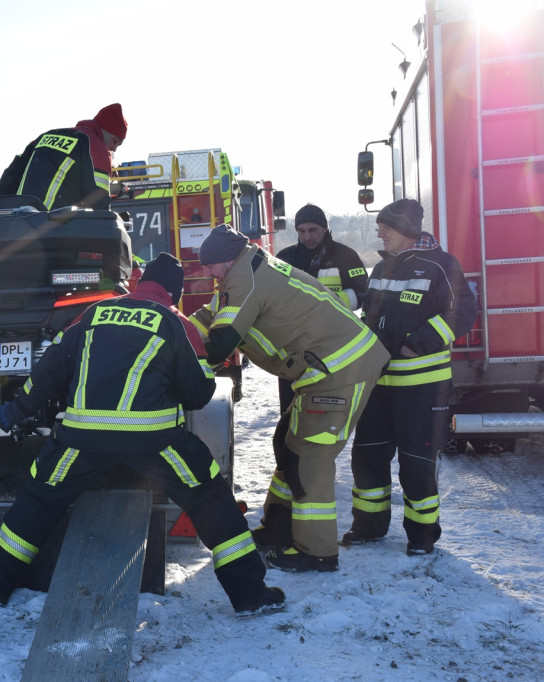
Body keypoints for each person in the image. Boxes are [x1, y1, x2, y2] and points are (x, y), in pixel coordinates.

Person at [0, 253, 286, 616]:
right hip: (154, 441)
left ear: (138, 284)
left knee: (37, 501)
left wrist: (15, 411)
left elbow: (50, 367)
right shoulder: (174, 321)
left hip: (82, 439)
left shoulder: (95, 313)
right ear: (172, 293)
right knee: (212, 501)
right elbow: (199, 394)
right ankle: (250, 595)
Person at [192, 224, 389, 572]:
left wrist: (178, 359)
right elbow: (208, 317)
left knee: (309, 457)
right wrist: (172, 326)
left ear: (226, 260)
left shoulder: (246, 281)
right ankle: (279, 528)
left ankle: (317, 551)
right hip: (324, 371)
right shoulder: (246, 271)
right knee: (287, 443)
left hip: (340, 370)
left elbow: (219, 344)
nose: (207, 273)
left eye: (209, 266)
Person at [342, 199, 476, 556]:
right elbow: (372, 317)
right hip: (377, 388)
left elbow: (463, 312)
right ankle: (368, 527)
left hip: (422, 392)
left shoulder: (441, 265)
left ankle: (422, 536)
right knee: (367, 460)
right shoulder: (381, 268)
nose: (379, 232)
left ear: (406, 229)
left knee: (417, 465)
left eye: (385, 226)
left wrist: (418, 344)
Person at [275, 204, 369, 414]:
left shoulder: (346, 256)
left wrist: (326, 305)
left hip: (332, 345)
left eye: (313, 230)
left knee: (326, 408)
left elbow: (363, 292)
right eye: (301, 231)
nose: (307, 237)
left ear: (324, 229)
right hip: (292, 347)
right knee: (291, 410)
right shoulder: (284, 258)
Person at [0, 103, 128, 211]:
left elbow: (10, 177)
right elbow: (98, 202)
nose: (114, 148)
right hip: (55, 232)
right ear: (105, 131)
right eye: (115, 141)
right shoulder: (96, 147)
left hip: (20, 224)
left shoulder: (45, 136)